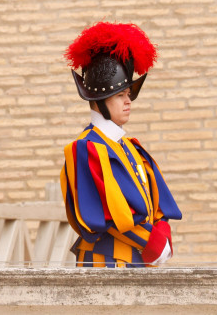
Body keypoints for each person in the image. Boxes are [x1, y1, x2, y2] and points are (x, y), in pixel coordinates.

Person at [61, 22, 182, 267]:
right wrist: (153, 243)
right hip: (104, 262)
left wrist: (162, 233)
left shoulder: (131, 147)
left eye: (128, 95)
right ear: (99, 101)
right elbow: (104, 218)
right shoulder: (85, 148)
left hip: (138, 260)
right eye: (120, 95)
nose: (128, 102)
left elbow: (156, 205)